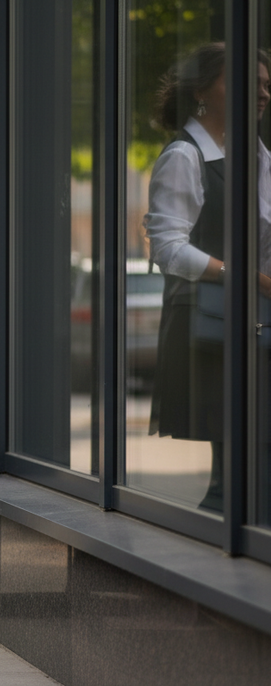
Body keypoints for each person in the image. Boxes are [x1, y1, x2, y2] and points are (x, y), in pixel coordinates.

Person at [145, 43, 271, 511]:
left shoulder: (255, 156)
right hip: (214, 331)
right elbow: (168, 249)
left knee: (246, 476)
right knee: (243, 477)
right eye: (248, 82)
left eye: (265, 84)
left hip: (252, 326)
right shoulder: (185, 155)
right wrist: (249, 277)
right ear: (201, 90)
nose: (263, 93)